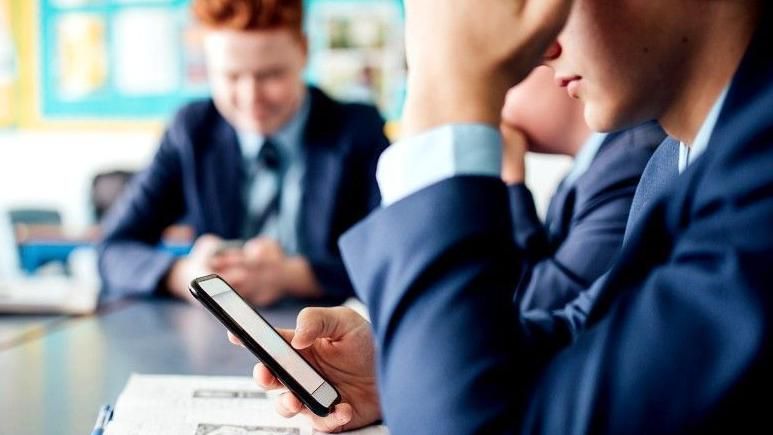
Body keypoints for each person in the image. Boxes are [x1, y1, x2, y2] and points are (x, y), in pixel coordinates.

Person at [232, 0, 773, 433]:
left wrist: (450, 82)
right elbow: (586, 331)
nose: (542, 48)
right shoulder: (675, 163)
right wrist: (399, 369)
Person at [99, 0, 389, 306]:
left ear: (303, 51)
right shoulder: (192, 130)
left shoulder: (358, 131)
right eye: (231, 76)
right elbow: (112, 250)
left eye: (271, 75)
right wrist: (186, 276)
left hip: (328, 338)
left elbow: (395, 258)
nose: (251, 98)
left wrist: (293, 276)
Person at [500, 66, 664, 343]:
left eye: (506, 78)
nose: (494, 107)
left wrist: (510, 182)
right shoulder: (584, 175)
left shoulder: (632, 162)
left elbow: (534, 304)